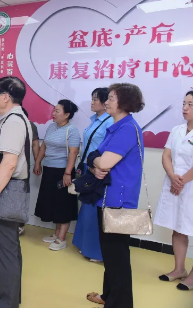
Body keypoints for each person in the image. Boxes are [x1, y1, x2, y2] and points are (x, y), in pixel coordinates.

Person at [86, 83, 145, 308]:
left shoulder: (127, 128)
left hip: (118, 201)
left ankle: (120, 303)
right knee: (110, 254)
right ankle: (108, 296)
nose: (106, 102)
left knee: (116, 256)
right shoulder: (116, 126)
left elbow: (104, 161)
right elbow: (96, 158)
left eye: (111, 98)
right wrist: (95, 163)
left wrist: (95, 161)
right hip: (107, 197)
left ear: (124, 102)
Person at [0, 76, 32, 307]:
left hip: (1, 188)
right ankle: (6, 293)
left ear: (6, 97)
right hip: (2, 187)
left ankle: (6, 302)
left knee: (4, 247)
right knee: (4, 245)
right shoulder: (12, 118)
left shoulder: (13, 121)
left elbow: (9, 163)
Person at [154, 90, 193, 291]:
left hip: (189, 186)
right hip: (175, 184)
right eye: (184, 103)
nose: (185, 108)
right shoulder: (177, 130)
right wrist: (172, 177)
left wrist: (182, 181)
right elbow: (166, 156)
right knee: (178, 227)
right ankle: (179, 269)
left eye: (190, 104)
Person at [34, 99, 80, 251]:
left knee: (63, 204)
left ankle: (62, 238)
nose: (53, 113)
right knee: (53, 202)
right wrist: (38, 162)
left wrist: (67, 172)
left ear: (66, 115)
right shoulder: (51, 127)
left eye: (57, 111)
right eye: (54, 110)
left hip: (63, 171)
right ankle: (56, 234)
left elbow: (73, 152)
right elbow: (44, 146)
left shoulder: (72, 130)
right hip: (49, 169)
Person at [73, 88, 113, 262]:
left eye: (96, 99)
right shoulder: (94, 120)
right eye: (92, 99)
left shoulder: (109, 122)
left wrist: (96, 167)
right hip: (88, 167)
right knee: (86, 207)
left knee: (94, 209)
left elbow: (107, 150)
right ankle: (84, 245)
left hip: (98, 169)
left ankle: (96, 252)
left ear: (105, 102)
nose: (92, 102)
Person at [18, 106, 39, 236]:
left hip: (22, 166)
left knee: (21, 195)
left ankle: (20, 224)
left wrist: (37, 162)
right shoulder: (3, 122)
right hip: (2, 166)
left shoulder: (30, 125)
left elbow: (35, 144)